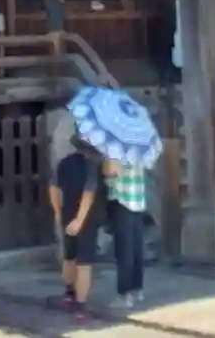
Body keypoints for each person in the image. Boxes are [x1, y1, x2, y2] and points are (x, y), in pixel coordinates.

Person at [47, 135, 104, 318]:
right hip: (86, 218)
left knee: (69, 256)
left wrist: (58, 213)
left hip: (67, 214)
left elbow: (53, 188)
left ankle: (69, 294)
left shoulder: (64, 163)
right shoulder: (91, 166)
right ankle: (81, 306)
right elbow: (89, 193)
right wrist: (80, 220)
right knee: (85, 262)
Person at [103, 156, 147, 308]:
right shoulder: (139, 150)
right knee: (137, 248)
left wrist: (105, 166)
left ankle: (124, 294)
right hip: (138, 201)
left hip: (123, 201)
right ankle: (137, 289)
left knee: (124, 250)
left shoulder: (116, 151)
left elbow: (110, 172)